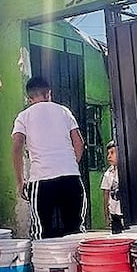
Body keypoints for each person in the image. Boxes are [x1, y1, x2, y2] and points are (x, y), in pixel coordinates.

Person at [11, 76, 86, 239]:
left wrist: (20, 181)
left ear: (29, 98)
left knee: (41, 232)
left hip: (41, 180)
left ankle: (44, 264)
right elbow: (79, 143)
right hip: (71, 178)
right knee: (75, 230)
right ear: (48, 93)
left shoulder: (24, 116)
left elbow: (16, 147)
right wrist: (70, 164)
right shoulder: (64, 111)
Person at [100, 141, 124, 234]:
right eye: (108, 153)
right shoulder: (108, 173)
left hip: (123, 211)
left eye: (112, 153)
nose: (109, 156)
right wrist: (106, 215)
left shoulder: (123, 171)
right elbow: (106, 194)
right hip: (114, 213)